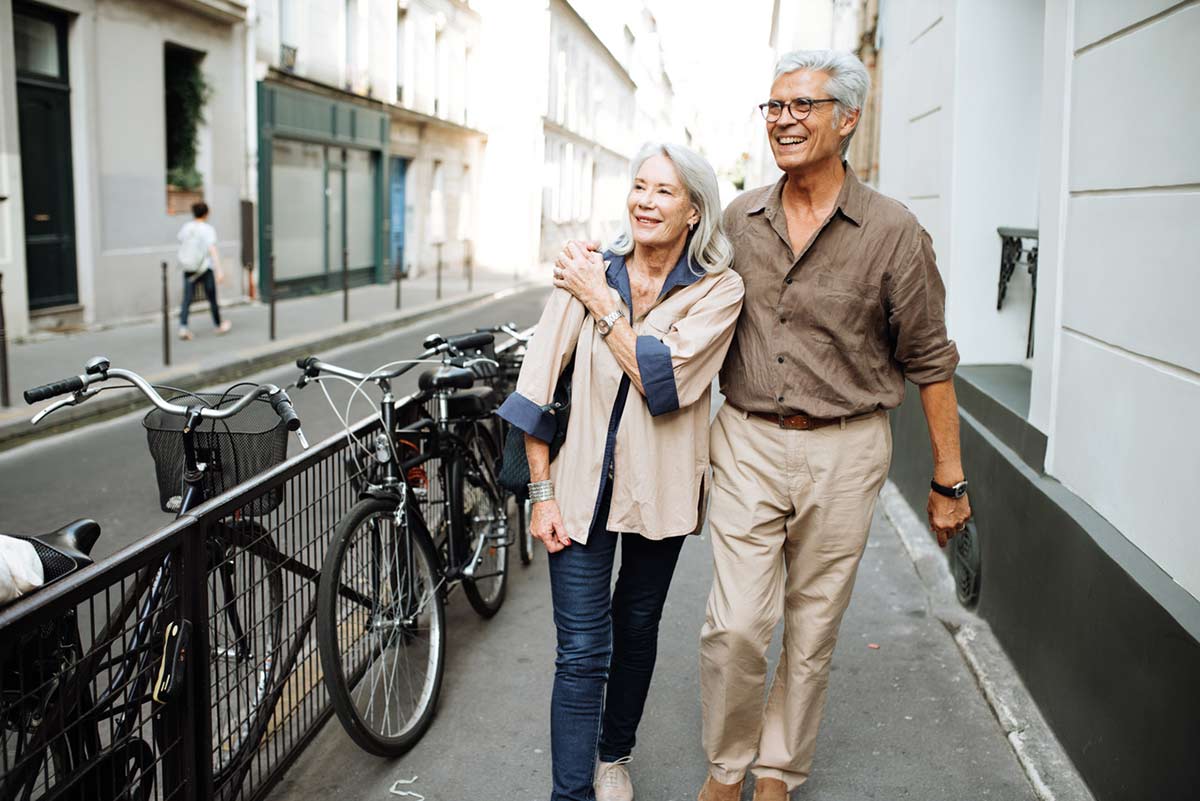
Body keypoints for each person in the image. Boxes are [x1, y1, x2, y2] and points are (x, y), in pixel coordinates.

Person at [695, 51, 972, 801]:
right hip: (748, 437)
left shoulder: (894, 232)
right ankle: (726, 769)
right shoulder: (737, 221)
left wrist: (949, 477)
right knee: (737, 625)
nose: (783, 120)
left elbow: (931, 359)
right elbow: (684, 305)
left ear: (847, 119)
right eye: (774, 107)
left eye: (802, 106)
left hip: (847, 450)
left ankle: (778, 771)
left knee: (812, 628)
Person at [499, 142, 744, 801]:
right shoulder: (588, 267)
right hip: (576, 491)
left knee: (636, 627)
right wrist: (541, 493)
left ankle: (615, 753)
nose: (645, 200)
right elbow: (536, 387)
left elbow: (664, 382)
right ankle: (572, 792)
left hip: (659, 493)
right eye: (639, 186)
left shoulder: (716, 290)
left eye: (664, 191)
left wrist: (600, 304)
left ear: (694, 211)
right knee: (580, 651)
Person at [176, 201, 231, 340]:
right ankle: (218, 324)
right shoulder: (207, 229)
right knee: (212, 298)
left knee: (187, 299)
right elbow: (212, 250)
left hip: (189, 268)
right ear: (206, 213)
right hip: (205, 268)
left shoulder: (186, 227)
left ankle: (183, 328)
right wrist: (219, 270)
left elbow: (182, 242)